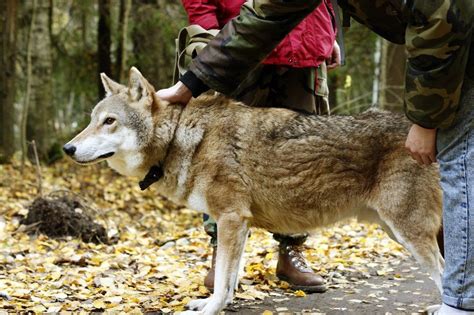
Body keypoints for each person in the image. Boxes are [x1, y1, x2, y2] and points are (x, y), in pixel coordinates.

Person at [158, 1, 474, 314]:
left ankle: (462, 302)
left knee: (461, 166)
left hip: (455, 45)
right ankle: (460, 296)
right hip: (249, 54)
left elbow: (443, 21)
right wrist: (191, 82)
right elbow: (266, 13)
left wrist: (425, 119)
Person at [178, 0, 340, 293]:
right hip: (237, 45)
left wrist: (328, 30)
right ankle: (223, 253)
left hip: (304, 45)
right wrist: (208, 31)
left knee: (300, 159)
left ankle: (292, 251)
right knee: (220, 158)